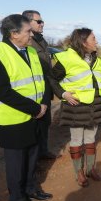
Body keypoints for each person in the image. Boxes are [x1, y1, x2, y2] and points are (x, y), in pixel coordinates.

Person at [0, 14, 52, 201]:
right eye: (28, 31)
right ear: (14, 34)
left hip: (37, 116)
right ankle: (17, 197)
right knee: (16, 163)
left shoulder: (30, 51)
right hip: (14, 120)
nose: (31, 34)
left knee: (32, 157)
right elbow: (3, 92)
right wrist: (36, 109)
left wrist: (44, 105)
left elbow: (42, 81)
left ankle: (31, 188)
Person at [49, 28, 101, 187]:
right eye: (93, 38)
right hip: (75, 106)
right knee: (76, 140)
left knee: (90, 139)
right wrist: (63, 94)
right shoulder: (66, 58)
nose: (96, 41)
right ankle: (79, 173)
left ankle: (90, 169)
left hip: (94, 105)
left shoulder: (98, 59)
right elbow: (52, 79)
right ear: (83, 42)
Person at [22, 10, 61, 160]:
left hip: (45, 87)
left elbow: (47, 65)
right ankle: (33, 159)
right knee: (33, 126)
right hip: (32, 91)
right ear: (27, 22)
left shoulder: (41, 40)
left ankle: (43, 151)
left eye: (42, 21)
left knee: (45, 122)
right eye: (38, 21)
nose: (42, 23)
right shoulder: (25, 42)